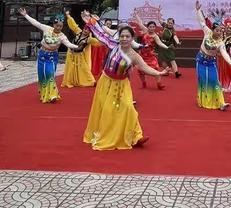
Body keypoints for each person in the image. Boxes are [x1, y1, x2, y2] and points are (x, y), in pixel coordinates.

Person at [81, 13, 163, 150]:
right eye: (122, 36)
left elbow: (145, 67)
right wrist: (90, 21)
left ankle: (136, 136)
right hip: (106, 82)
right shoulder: (113, 45)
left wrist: (159, 73)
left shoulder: (134, 56)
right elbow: (100, 33)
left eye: (127, 36)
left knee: (128, 107)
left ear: (132, 39)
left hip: (122, 85)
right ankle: (105, 132)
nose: (124, 38)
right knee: (106, 110)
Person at [18, 8, 79, 103]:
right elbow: (36, 23)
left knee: (50, 74)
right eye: (57, 25)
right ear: (54, 24)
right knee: (42, 75)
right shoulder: (47, 29)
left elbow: (69, 44)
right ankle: (44, 94)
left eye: (61, 26)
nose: (59, 28)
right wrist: (26, 15)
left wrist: (78, 47)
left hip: (52, 57)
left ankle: (53, 95)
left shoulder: (62, 36)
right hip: (42, 55)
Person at [195, 1, 231, 110]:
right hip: (201, 61)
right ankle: (203, 100)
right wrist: (198, 10)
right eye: (217, 30)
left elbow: (224, 54)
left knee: (215, 81)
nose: (219, 32)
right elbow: (201, 21)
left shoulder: (220, 43)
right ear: (213, 29)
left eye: (221, 31)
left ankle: (221, 103)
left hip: (211, 63)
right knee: (203, 81)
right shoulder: (207, 32)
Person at [62, 11, 97, 88]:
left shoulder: (89, 39)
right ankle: (70, 81)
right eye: (85, 29)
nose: (85, 31)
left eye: (88, 30)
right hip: (71, 54)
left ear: (90, 32)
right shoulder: (79, 32)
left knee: (84, 69)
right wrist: (68, 16)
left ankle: (91, 81)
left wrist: (106, 40)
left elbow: (98, 42)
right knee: (71, 69)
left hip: (80, 56)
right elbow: (73, 26)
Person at [133, 14, 166, 89]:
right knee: (140, 70)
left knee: (156, 68)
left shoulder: (155, 36)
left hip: (151, 56)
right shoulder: (145, 31)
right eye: (150, 27)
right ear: (148, 27)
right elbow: (140, 23)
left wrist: (167, 47)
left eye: (153, 27)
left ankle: (159, 84)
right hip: (142, 55)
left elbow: (160, 43)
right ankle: (144, 83)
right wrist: (136, 15)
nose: (152, 28)